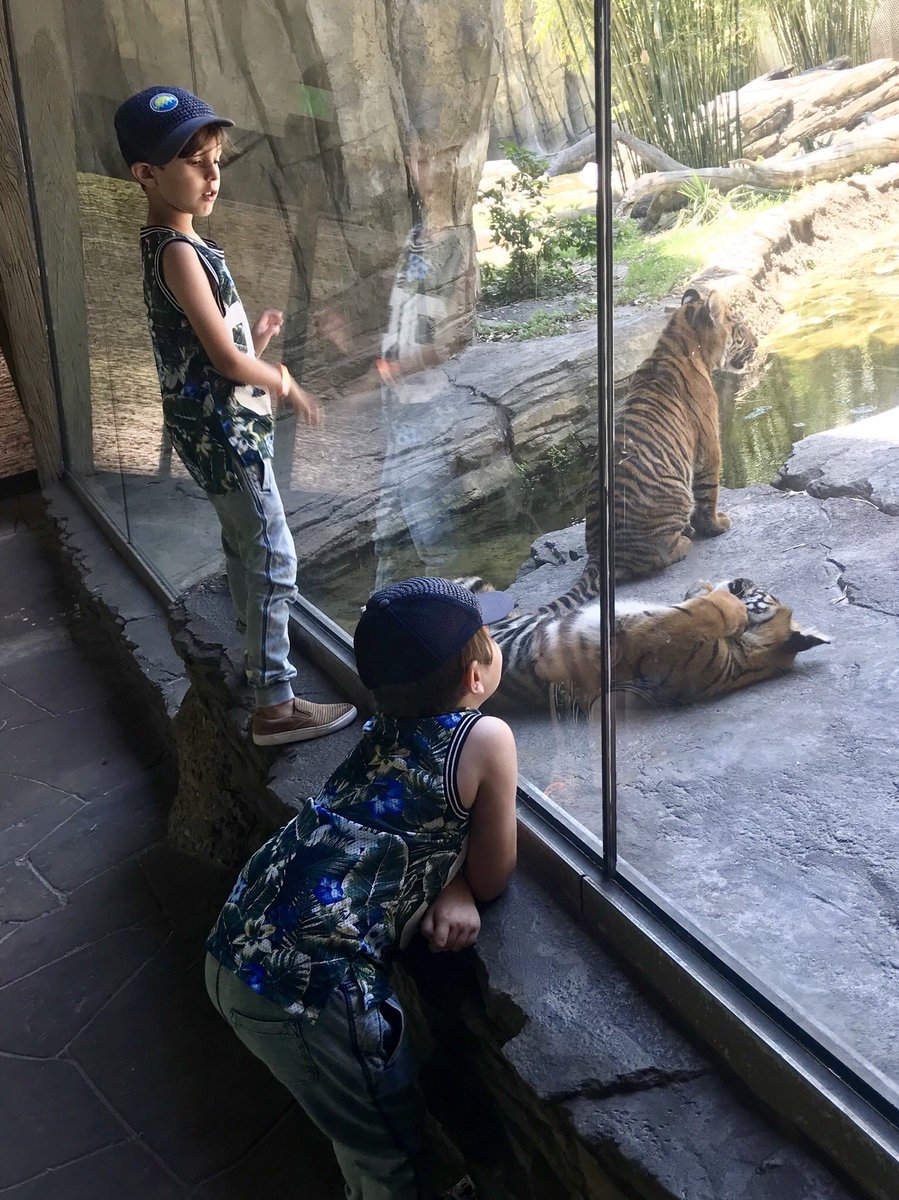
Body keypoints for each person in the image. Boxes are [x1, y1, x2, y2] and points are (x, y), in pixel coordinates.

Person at [204, 576, 519, 1198]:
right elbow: (494, 872)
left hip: (235, 943)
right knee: (391, 1151)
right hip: (312, 996)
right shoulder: (484, 738)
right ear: (477, 678)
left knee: (352, 1120)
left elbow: (399, 831)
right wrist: (462, 883)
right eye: (490, 639)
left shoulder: (380, 731)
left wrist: (445, 883)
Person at [114, 85, 356, 746]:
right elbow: (224, 360)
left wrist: (261, 340)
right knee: (274, 555)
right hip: (227, 434)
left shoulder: (172, 244)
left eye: (217, 158)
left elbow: (206, 343)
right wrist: (281, 379)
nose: (213, 173)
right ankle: (274, 704)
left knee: (247, 545)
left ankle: (256, 664)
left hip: (211, 430)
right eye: (195, 161)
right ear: (147, 173)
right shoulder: (178, 251)